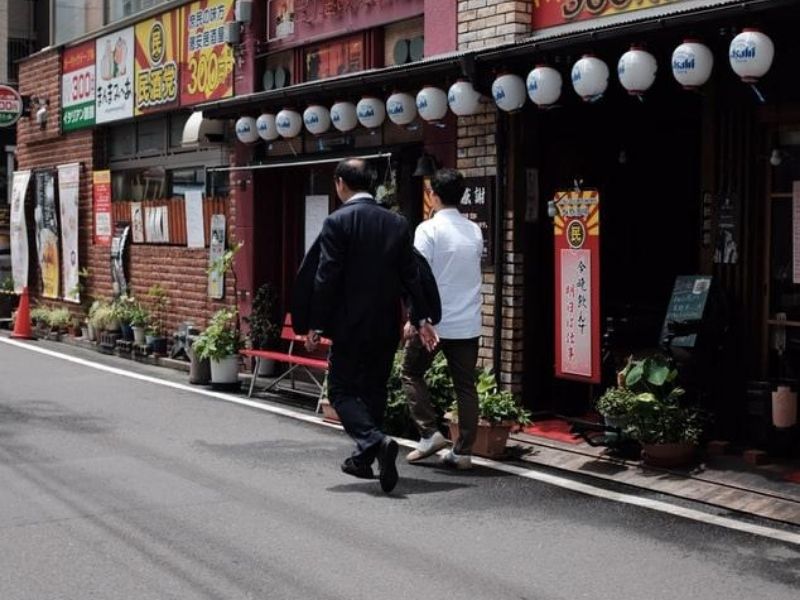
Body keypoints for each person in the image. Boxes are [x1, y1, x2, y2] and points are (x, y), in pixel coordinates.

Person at [303, 158, 438, 493]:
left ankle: (374, 442)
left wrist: (316, 323)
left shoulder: (337, 222)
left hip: (349, 324)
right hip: (386, 324)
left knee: (341, 390)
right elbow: (411, 274)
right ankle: (365, 459)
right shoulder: (397, 223)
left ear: (340, 183)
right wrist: (419, 317)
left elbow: (326, 276)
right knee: (375, 389)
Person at [402, 168, 483, 470]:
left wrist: (416, 318)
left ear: (432, 195)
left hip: (433, 323)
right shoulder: (474, 230)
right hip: (468, 322)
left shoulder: (428, 230)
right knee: (466, 386)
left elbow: (416, 277)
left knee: (410, 372)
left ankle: (429, 433)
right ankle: (463, 452)